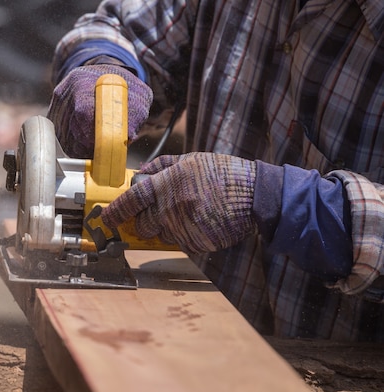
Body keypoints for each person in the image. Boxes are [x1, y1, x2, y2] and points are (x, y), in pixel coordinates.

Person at [46, 0, 384, 341]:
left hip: (343, 372)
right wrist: (105, 68)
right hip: (199, 333)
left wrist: (291, 205)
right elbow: (122, 28)